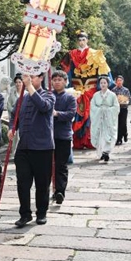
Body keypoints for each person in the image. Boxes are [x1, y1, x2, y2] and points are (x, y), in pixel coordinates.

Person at [9, 72, 55, 227]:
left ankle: (41, 213)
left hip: (42, 148)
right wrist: (11, 128)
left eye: (33, 77)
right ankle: (25, 214)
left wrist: (28, 86)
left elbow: (44, 107)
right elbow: (14, 115)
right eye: (27, 77)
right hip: (24, 147)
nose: (29, 79)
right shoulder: (22, 98)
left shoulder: (49, 95)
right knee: (22, 182)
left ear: (41, 78)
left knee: (42, 184)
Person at [60, 30, 111, 149]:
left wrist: (102, 89)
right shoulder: (71, 54)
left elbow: (104, 74)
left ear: (87, 40)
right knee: (74, 113)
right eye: (79, 40)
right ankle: (77, 141)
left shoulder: (95, 54)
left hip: (91, 90)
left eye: (83, 39)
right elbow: (66, 73)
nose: (81, 42)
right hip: (76, 90)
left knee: (93, 115)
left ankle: (91, 140)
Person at [52, 70, 77, 204]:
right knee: (48, 166)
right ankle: (53, 189)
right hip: (48, 136)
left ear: (65, 82)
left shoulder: (70, 98)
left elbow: (71, 114)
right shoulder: (48, 96)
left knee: (61, 165)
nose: (57, 82)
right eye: (54, 80)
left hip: (63, 136)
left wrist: (56, 114)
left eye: (59, 79)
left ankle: (60, 191)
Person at [90, 76, 119, 162]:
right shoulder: (95, 95)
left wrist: (108, 110)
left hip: (108, 119)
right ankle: (101, 152)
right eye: (101, 83)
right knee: (99, 135)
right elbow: (92, 106)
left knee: (108, 135)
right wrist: (99, 110)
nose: (103, 84)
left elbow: (116, 107)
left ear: (108, 84)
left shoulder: (112, 95)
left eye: (104, 83)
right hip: (98, 118)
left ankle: (106, 152)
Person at [111, 75, 131, 144]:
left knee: (123, 123)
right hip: (116, 109)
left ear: (123, 81)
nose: (119, 82)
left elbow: (129, 99)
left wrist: (125, 101)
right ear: (116, 82)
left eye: (120, 80)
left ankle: (125, 134)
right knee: (117, 123)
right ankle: (119, 139)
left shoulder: (126, 90)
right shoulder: (113, 90)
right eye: (118, 81)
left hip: (124, 108)